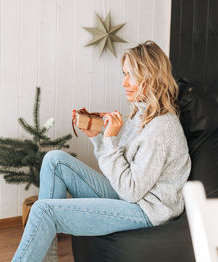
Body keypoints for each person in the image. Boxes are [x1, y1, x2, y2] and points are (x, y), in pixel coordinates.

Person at [11, 40, 192, 262]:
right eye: (123, 74)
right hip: (130, 194)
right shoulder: (139, 114)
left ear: (150, 77)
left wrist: (110, 140)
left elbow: (131, 191)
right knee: (55, 160)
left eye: (130, 75)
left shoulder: (162, 128)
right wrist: (98, 139)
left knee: (43, 210)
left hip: (147, 209)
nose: (124, 83)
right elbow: (119, 169)